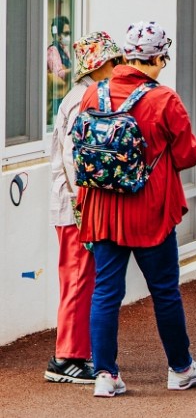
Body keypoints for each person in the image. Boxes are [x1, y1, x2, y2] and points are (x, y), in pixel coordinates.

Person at [76, 21, 196, 398]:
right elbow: (189, 154)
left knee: (105, 292)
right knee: (164, 290)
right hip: (149, 209)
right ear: (157, 58)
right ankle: (180, 369)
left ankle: (105, 374)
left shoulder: (93, 94)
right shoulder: (164, 99)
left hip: (102, 209)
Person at [45, 32, 123, 384]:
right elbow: (74, 157)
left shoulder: (78, 96)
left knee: (79, 279)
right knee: (79, 279)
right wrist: (84, 202)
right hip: (77, 204)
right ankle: (67, 357)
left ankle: (74, 353)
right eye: (114, 61)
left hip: (73, 202)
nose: (118, 66)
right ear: (101, 64)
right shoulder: (85, 99)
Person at [47, 16, 73, 122]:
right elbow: (58, 74)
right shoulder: (53, 50)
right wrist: (72, 71)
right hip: (57, 98)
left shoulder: (65, 50)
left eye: (69, 33)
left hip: (66, 94)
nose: (68, 36)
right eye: (66, 33)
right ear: (57, 35)